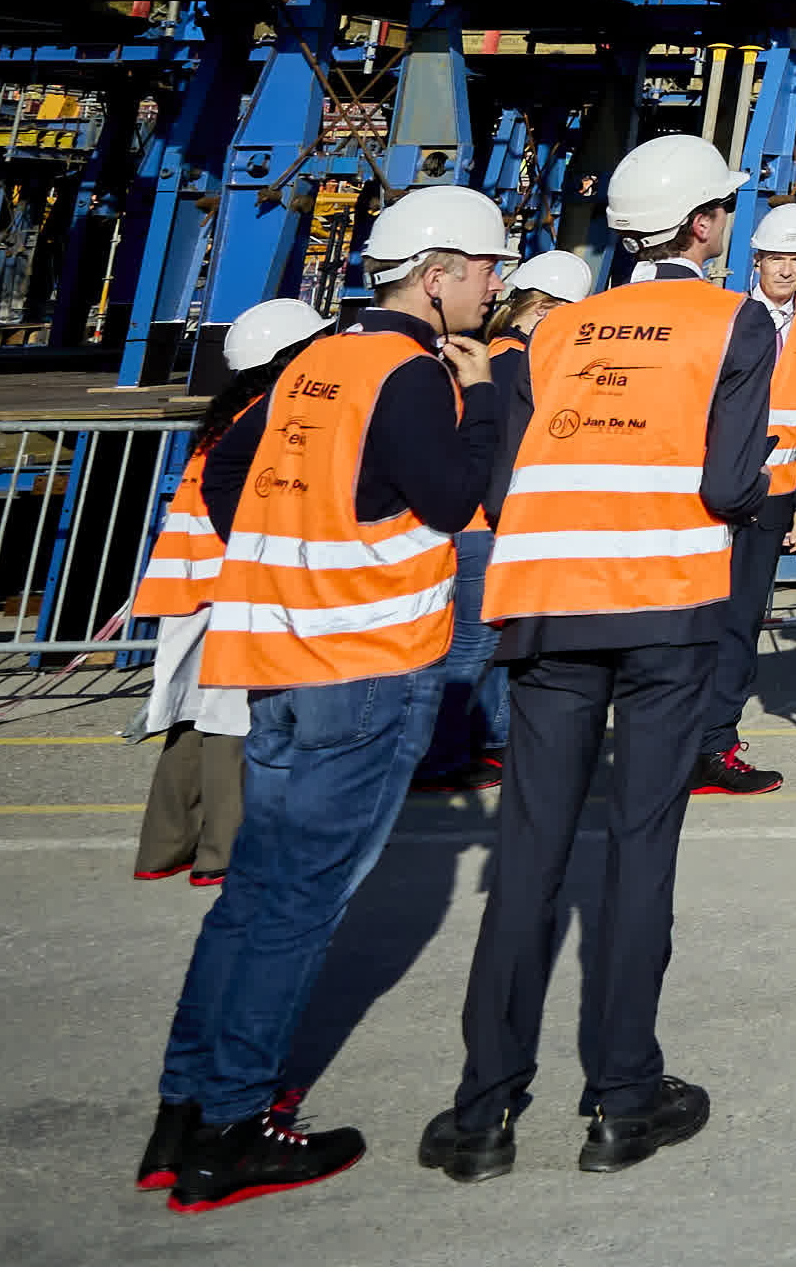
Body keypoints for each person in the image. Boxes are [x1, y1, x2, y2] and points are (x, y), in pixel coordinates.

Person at [138, 187, 507, 1215]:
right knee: (300, 908)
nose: (494, 287)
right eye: (486, 271)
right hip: (364, 665)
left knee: (252, 898)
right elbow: (450, 498)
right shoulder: (409, 371)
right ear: (436, 275)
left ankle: (182, 1112)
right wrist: (482, 405)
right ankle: (236, 1127)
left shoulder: (315, 362)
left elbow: (227, 476)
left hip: (278, 661)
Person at [426, 137, 778, 1184]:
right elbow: (724, 484)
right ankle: (624, 1099)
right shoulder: (735, 320)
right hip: (666, 609)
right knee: (640, 848)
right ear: (706, 224)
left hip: (545, 608)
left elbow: (506, 480)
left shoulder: (553, 328)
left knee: (531, 852)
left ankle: (483, 1112)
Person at [130, 297, 329, 890]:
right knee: (232, 718)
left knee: (189, 719)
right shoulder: (273, 418)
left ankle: (163, 846)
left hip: (188, 587)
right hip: (231, 587)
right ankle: (223, 852)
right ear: (288, 359)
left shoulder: (225, 418)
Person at [420, 250, 598, 792]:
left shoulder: (497, 354)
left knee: (493, 639)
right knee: (473, 644)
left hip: (483, 520)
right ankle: (441, 756)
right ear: (545, 310)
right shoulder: (512, 363)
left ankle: (488, 742)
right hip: (485, 523)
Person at [695, 202, 796, 791]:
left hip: (774, 495)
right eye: (777, 257)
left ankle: (716, 741)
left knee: (743, 619)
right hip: (712, 490)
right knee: (698, 616)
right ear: (756, 259)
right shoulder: (723, 315)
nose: (786, 270)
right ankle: (687, 735)